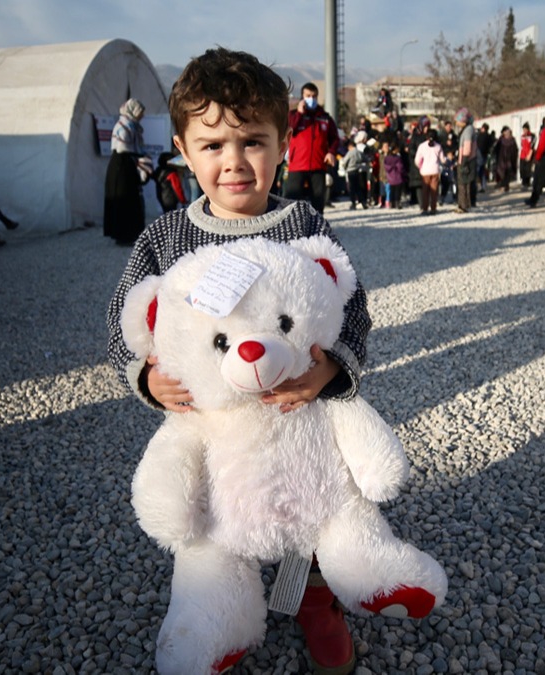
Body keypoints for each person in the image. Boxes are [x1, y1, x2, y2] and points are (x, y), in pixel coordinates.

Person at [105, 47, 373, 675]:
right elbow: (126, 319)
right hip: (215, 427)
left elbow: (352, 306)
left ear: (283, 143)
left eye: (252, 141)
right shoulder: (165, 238)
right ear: (182, 148)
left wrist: (333, 368)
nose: (233, 162)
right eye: (213, 144)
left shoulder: (301, 223)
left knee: (308, 511)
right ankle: (218, 608)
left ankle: (313, 598)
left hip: (294, 418)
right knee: (212, 523)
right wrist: (145, 376)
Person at [284, 82, 340, 214]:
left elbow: (335, 138)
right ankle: (291, 226)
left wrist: (331, 152)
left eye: (314, 96)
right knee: (292, 197)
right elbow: (289, 130)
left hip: (318, 165)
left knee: (318, 199)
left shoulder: (324, 117)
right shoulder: (293, 115)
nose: (311, 99)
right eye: (308, 95)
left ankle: (317, 226)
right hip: (297, 164)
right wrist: (299, 113)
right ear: (302, 96)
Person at [104, 98, 152, 245]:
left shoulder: (133, 126)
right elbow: (123, 147)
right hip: (121, 166)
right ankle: (123, 235)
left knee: (131, 199)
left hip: (126, 165)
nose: (141, 116)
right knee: (123, 199)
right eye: (139, 113)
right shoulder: (124, 126)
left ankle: (131, 233)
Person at [414, 129, 443, 215]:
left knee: (425, 191)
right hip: (435, 170)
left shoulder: (422, 146)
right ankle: (433, 208)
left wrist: (420, 167)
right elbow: (443, 160)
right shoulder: (438, 146)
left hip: (425, 171)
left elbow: (417, 160)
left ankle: (425, 208)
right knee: (434, 191)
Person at [454, 108, 477, 213]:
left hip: (466, 159)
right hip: (466, 159)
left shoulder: (468, 130)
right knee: (464, 183)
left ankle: (463, 205)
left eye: (457, 120)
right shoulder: (468, 129)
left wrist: (463, 162)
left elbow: (467, 148)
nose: (456, 123)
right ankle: (463, 204)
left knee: (463, 183)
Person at [339, 138, 367, 209]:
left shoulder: (350, 153)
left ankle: (353, 203)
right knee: (358, 187)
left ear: (350, 146)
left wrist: (344, 167)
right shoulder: (359, 152)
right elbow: (365, 159)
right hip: (358, 171)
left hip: (350, 171)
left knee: (352, 188)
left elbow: (344, 162)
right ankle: (363, 202)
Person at [493, 126, 519, 192]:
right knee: (501, 173)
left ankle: (505, 186)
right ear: (503, 132)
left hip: (510, 160)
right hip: (501, 159)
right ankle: (502, 186)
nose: (507, 133)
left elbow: (515, 150)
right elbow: (496, 149)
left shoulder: (512, 140)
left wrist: (513, 157)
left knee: (508, 173)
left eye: (508, 132)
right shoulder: (500, 140)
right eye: (506, 132)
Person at [383, 142, 406, 208]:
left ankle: (391, 203)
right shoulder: (397, 158)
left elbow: (385, 167)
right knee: (397, 191)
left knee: (392, 190)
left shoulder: (386, 158)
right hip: (398, 176)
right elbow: (400, 167)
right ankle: (397, 203)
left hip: (390, 177)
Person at [518, 122, 536, 189]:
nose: (524, 131)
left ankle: (527, 183)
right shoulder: (522, 136)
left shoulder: (532, 136)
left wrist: (529, 154)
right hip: (522, 155)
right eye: (523, 129)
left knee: (528, 169)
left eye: (525, 129)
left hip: (529, 154)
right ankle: (523, 182)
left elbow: (532, 146)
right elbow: (522, 145)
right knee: (522, 169)